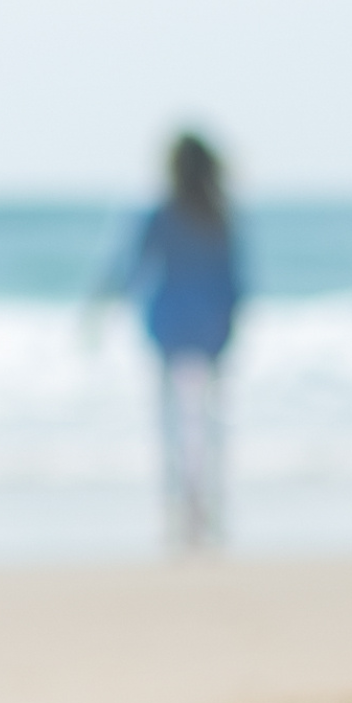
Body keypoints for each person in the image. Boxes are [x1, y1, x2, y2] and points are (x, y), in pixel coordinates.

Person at [103, 131, 246, 551]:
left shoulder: (160, 214)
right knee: (212, 421)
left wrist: (100, 311)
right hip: (209, 320)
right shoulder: (220, 214)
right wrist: (233, 320)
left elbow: (130, 269)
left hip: (167, 320)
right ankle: (212, 504)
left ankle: (176, 505)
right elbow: (234, 277)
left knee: (169, 422)